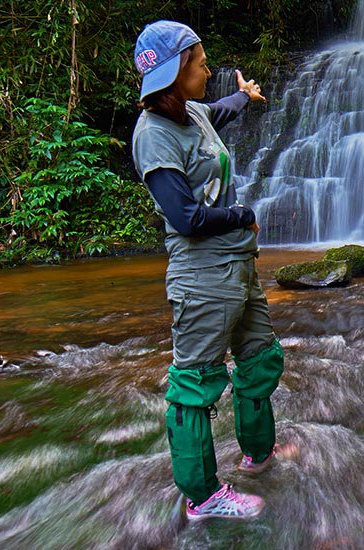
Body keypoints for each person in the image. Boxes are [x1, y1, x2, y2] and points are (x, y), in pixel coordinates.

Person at [130, 20, 284, 521]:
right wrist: (244, 215)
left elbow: (219, 110)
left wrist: (243, 96)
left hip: (238, 267)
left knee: (259, 357)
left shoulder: (191, 111)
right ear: (175, 73)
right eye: (199, 63)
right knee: (195, 383)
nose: (208, 69)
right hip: (201, 275)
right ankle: (202, 496)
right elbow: (187, 219)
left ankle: (258, 454)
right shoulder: (153, 136)